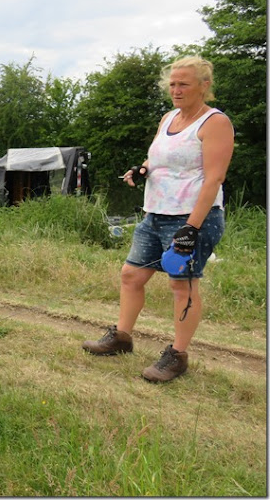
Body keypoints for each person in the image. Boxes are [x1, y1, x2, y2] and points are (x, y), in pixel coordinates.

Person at [82, 56, 234, 383]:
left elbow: (214, 179)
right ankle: (121, 338)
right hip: (155, 213)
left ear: (204, 86)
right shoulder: (168, 118)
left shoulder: (215, 123)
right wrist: (143, 169)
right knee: (131, 275)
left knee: (182, 284)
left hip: (192, 218)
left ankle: (177, 356)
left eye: (184, 84)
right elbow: (159, 158)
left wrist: (191, 228)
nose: (176, 90)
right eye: (172, 84)